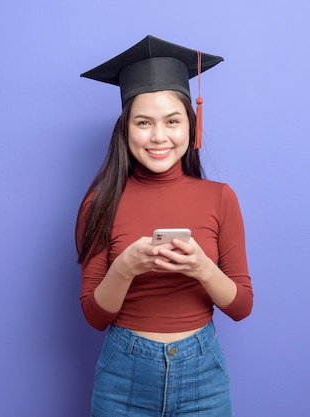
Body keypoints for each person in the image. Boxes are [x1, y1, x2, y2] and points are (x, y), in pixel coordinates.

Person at [75, 35, 253, 417]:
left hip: (202, 373)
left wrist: (201, 267)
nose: (159, 136)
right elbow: (94, 316)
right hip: (123, 373)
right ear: (126, 129)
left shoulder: (221, 198)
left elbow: (241, 306)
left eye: (172, 121)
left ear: (190, 125)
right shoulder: (99, 203)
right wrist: (125, 268)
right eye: (143, 122)